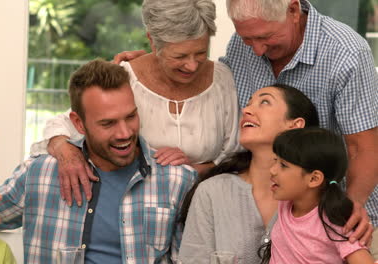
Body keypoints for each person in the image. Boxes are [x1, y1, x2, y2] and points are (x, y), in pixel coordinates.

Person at [116, 0, 378, 248]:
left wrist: (348, 207)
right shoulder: (243, 47)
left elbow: (364, 148)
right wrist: (149, 64)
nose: (257, 50)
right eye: (247, 39)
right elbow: (211, 85)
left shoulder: (346, 52)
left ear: (293, 11)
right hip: (272, 209)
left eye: (266, 38)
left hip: (341, 214)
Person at [0, 59, 197, 263]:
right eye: (108, 123)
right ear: (78, 123)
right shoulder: (39, 174)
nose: (125, 133)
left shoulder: (176, 180)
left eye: (130, 117)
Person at [29, 0, 240, 206]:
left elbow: (235, 156)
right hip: (135, 215)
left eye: (201, 53)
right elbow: (63, 125)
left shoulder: (223, 80)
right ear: (152, 42)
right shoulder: (126, 78)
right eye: (180, 56)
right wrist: (67, 151)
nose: (192, 65)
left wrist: (189, 170)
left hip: (205, 209)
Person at [179, 84, 320, 263]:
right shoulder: (212, 192)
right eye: (248, 103)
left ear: (295, 126)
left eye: (265, 102)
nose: (246, 110)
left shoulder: (317, 198)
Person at [261, 128, 374, 263]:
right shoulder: (286, 203)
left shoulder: (335, 222)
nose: (272, 170)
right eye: (275, 160)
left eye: (283, 165)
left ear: (314, 179)